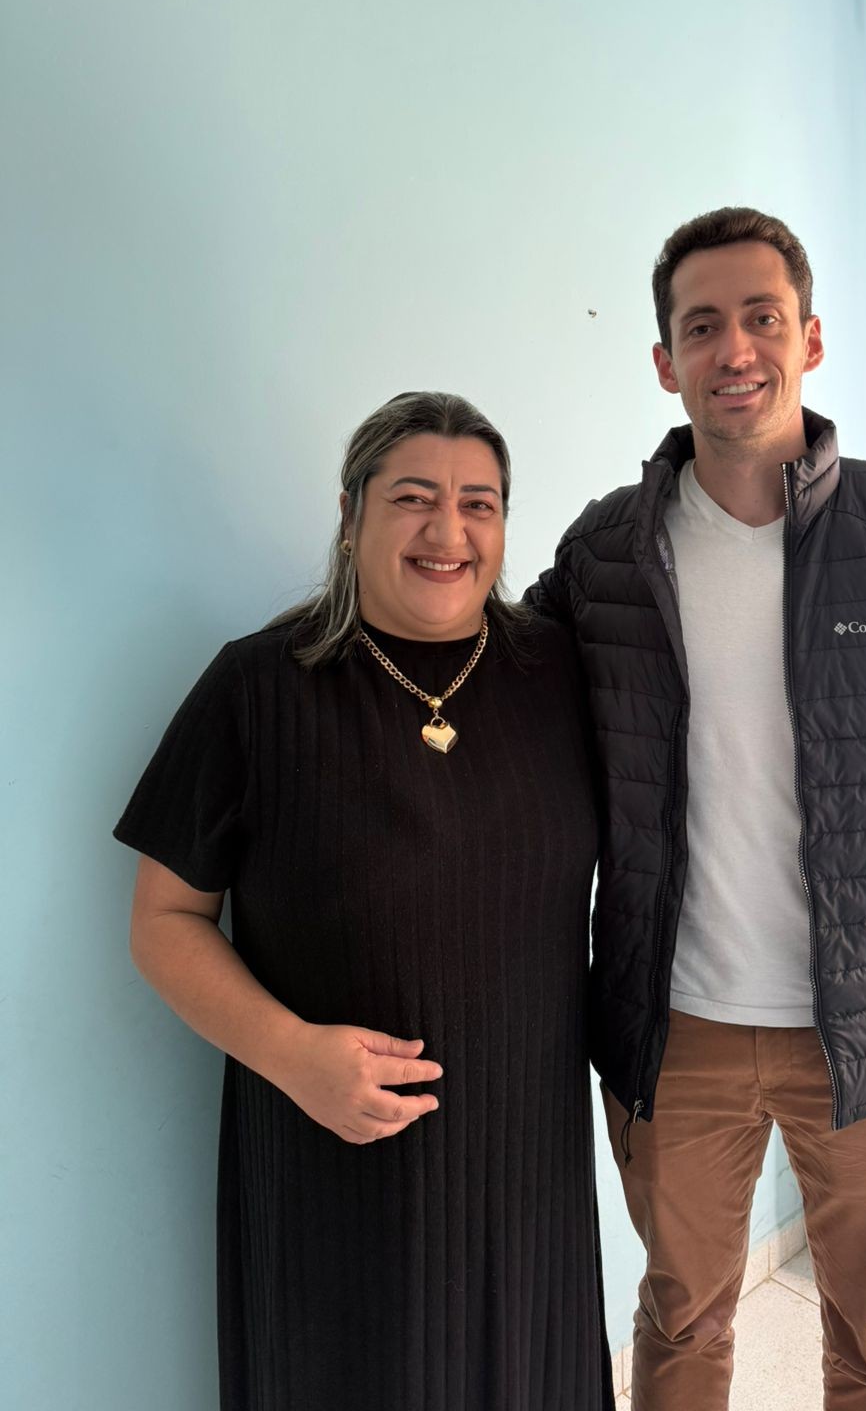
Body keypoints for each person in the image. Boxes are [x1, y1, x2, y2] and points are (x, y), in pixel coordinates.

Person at [531, 208, 866, 1411]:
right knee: (681, 1320)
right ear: (666, 361)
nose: (735, 349)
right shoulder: (604, 555)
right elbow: (508, 714)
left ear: (810, 339)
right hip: (673, 1028)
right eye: (703, 326)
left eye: (762, 318)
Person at [116, 391, 613, 1411]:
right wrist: (292, 1054)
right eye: (414, 498)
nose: (448, 531)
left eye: (479, 503)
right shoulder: (258, 688)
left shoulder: (558, 672)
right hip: (331, 1170)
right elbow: (163, 922)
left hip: (529, 1170)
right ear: (351, 515)